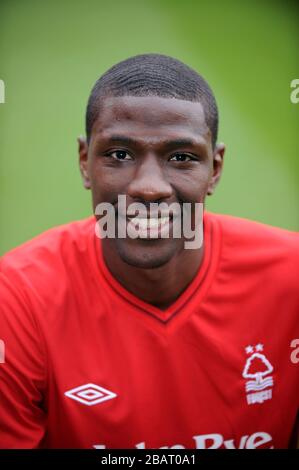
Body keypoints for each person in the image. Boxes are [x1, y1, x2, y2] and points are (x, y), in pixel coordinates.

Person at [0, 54, 298, 449]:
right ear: (84, 162)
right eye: (120, 154)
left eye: (181, 157)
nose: (150, 188)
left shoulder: (290, 280)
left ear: (216, 167)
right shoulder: (17, 300)